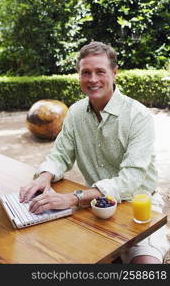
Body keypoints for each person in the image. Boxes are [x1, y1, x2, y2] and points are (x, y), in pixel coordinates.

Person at [19, 41, 169, 264]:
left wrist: (72, 198)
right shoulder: (76, 112)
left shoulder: (139, 116)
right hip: (95, 206)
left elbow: (130, 180)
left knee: (146, 268)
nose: (92, 79)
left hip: (138, 206)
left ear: (114, 73)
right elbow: (60, 155)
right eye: (85, 72)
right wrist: (44, 177)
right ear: (79, 75)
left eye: (100, 71)